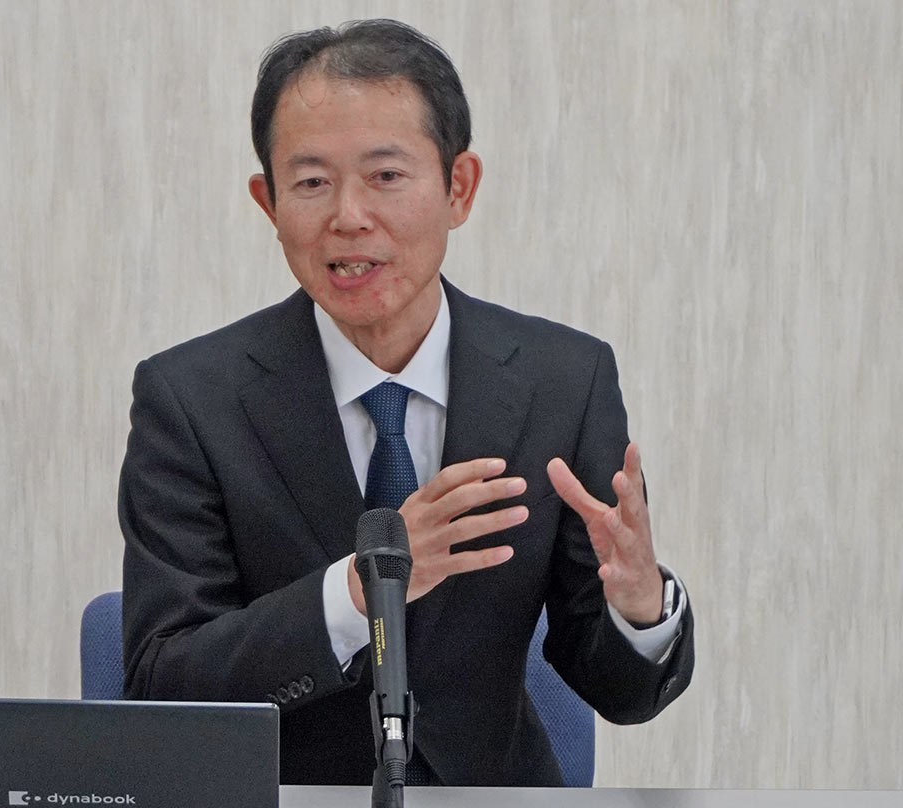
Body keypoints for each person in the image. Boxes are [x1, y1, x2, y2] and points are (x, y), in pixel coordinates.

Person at [119, 19, 694, 787]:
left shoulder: (564, 380)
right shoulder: (190, 400)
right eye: (312, 182)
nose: (349, 216)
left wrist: (640, 608)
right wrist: (359, 591)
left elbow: (622, 693)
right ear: (268, 202)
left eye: (386, 175)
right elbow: (163, 685)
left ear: (459, 188)